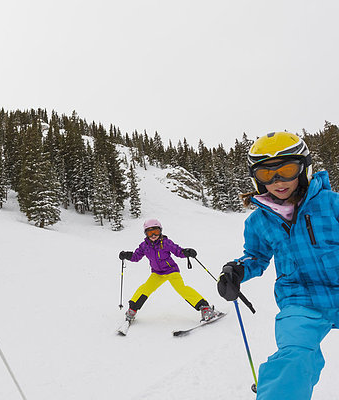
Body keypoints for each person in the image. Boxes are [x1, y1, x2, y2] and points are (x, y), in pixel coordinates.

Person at [217, 131, 339, 400]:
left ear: (304, 169)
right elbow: (256, 257)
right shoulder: (258, 221)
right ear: (256, 179)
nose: (278, 181)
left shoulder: (332, 205)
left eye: (286, 170)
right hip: (300, 300)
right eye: (266, 175)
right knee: (293, 359)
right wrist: (237, 270)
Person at [119, 218, 216, 322]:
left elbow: (178, 251)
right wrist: (127, 255)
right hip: (157, 273)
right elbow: (136, 257)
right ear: (146, 234)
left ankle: (205, 308)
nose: (153, 235)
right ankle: (132, 310)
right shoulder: (144, 246)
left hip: (171, 271)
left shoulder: (166, 243)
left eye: (156, 232)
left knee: (181, 289)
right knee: (144, 289)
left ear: (160, 231)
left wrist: (186, 252)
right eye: (150, 232)